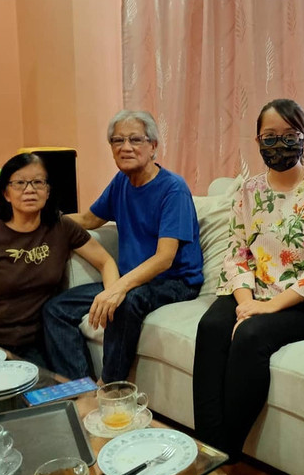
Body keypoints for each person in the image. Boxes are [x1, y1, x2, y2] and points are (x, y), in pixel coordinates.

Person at [171, 99, 304, 475]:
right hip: (252, 289)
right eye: (269, 138)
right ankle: (209, 457)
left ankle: (221, 459)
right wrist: (244, 301)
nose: (278, 145)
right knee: (213, 325)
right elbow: (237, 252)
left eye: (288, 137)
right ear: (257, 141)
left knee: (251, 335)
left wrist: (267, 308)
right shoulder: (249, 191)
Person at [43, 110, 203, 381]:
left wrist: (118, 288)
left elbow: (165, 258)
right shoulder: (122, 182)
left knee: (123, 302)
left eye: (135, 140)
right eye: (117, 141)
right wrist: (42, 222)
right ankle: (80, 386)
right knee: (56, 310)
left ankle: (111, 388)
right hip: (134, 278)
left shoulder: (173, 189)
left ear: (153, 147)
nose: (125, 147)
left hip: (175, 281)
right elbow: (90, 219)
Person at [0, 153, 118, 367]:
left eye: (38, 182)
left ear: (48, 191)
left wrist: (112, 297)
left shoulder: (61, 227)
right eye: (20, 183)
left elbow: (105, 262)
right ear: (6, 193)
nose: (30, 190)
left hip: (46, 342)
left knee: (72, 393)